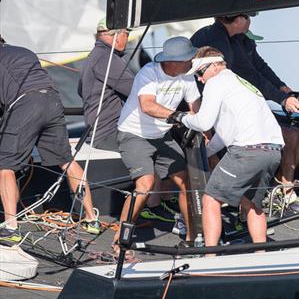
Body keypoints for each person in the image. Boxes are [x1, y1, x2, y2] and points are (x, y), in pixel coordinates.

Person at [191, 13, 299, 213]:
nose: (251, 21)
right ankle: (218, 200)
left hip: (239, 113)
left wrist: (282, 88)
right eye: (249, 16)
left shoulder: (240, 40)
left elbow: (261, 67)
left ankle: (284, 190)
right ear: (238, 20)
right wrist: (281, 99)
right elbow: (251, 76)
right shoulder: (217, 41)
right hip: (214, 109)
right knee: (211, 152)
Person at [170, 47, 284, 248]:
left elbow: (203, 123)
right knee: (252, 205)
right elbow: (224, 134)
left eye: (200, 73)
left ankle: (210, 256)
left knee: (210, 200)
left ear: (214, 66)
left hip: (247, 152)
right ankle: (262, 254)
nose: (200, 80)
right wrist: (203, 154)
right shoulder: (242, 84)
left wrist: (180, 117)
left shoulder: (217, 82)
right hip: (273, 151)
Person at [0, 36, 100, 245]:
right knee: (66, 160)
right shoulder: (24, 50)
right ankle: (92, 219)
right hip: (53, 101)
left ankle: (11, 226)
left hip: (26, 104)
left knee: (5, 165)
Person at [113, 37, 200, 250]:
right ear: (173, 61)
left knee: (186, 182)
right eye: (188, 58)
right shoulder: (149, 73)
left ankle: (192, 240)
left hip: (162, 136)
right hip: (134, 134)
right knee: (145, 185)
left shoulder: (186, 76)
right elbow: (148, 106)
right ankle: (120, 240)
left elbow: (196, 108)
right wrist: (178, 116)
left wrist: (208, 131)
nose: (192, 62)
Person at [77, 18, 134, 152]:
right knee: (164, 147)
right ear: (118, 37)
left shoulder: (94, 56)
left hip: (100, 132)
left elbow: (80, 90)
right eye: (127, 34)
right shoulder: (107, 60)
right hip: (110, 133)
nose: (127, 39)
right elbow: (139, 91)